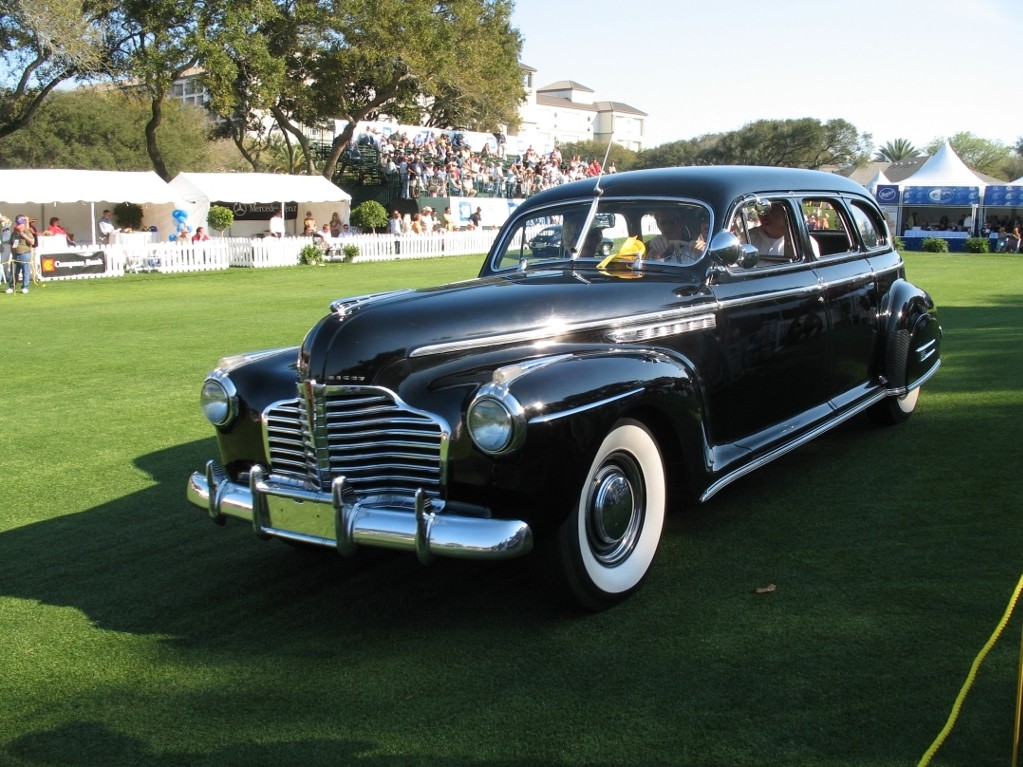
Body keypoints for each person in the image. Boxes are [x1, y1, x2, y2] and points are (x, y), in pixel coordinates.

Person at [11, 215, 35, 293]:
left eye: (19, 224)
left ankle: (25, 287)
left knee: (25, 271)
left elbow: (32, 242)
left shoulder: (27, 232)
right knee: (14, 271)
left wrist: (23, 235)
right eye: (17, 223)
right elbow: (11, 242)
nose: (17, 225)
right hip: (15, 254)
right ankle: (11, 286)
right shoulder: (14, 233)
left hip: (25, 254)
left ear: (23, 224)